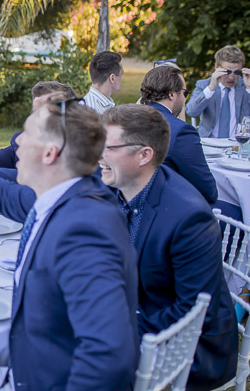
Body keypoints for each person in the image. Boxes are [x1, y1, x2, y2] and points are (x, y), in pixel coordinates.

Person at [0, 97, 138, 390]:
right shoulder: (67, 195)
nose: (17, 142)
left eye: (27, 134)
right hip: (24, 365)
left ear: (49, 153)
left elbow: (108, 356)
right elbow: (1, 194)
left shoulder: (84, 233)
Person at [99, 104, 237, 389]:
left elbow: (192, 313)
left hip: (190, 350)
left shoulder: (188, 218)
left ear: (144, 155)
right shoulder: (118, 187)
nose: (98, 154)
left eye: (108, 147)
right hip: (139, 312)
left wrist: (108, 328)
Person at [139, 66, 218, 205]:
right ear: (171, 94)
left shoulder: (129, 119)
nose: (184, 99)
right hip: (167, 206)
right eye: (185, 93)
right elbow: (208, 190)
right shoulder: (181, 131)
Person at [185, 45, 250, 138]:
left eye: (237, 72)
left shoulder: (247, 85)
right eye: (228, 72)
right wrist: (210, 89)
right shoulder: (204, 85)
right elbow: (191, 111)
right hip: (209, 144)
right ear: (217, 67)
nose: (232, 77)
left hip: (238, 145)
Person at [83, 50, 123, 115]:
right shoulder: (93, 111)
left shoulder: (104, 103)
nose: (122, 79)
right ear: (112, 78)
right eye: (121, 74)